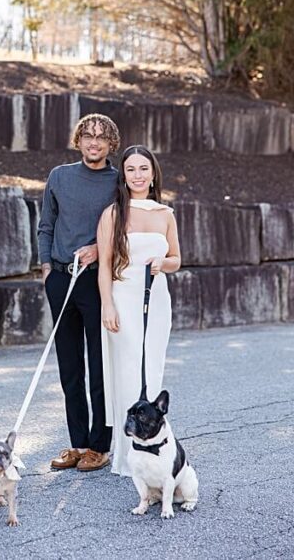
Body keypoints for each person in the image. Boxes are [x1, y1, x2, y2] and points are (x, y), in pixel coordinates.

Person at [37, 113, 120, 473]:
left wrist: (100, 249)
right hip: (60, 280)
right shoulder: (59, 176)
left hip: (97, 282)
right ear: (79, 140)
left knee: (100, 368)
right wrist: (46, 269)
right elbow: (46, 225)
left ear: (111, 143)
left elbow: (127, 230)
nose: (94, 142)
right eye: (88, 135)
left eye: (101, 137)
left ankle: (99, 446)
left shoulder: (119, 181)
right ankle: (78, 443)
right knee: (70, 368)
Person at [97, 145, 180, 477]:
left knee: (152, 372)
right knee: (128, 371)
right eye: (130, 169)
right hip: (123, 299)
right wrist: (107, 304)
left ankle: (152, 450)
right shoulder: (112, 214)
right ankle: (126, 456)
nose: (138, 175)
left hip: (156, 300)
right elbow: (105, 266)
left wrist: (163, 263)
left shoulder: (165, 214)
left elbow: (176, 259)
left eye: (143, 168)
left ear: (153, 173)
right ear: (123, 175)